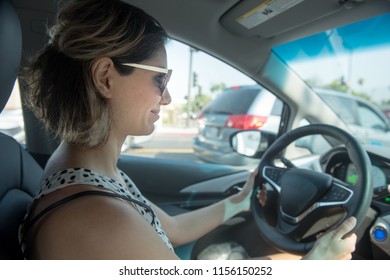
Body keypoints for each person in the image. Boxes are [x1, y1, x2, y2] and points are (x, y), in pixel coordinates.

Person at [19, 0, 357, 260]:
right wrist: (319, 263)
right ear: (106, 77)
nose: (166, 97)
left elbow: (174, 230)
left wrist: (239, 202)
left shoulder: (91, 174)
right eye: (159, 79)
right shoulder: (95, 215)